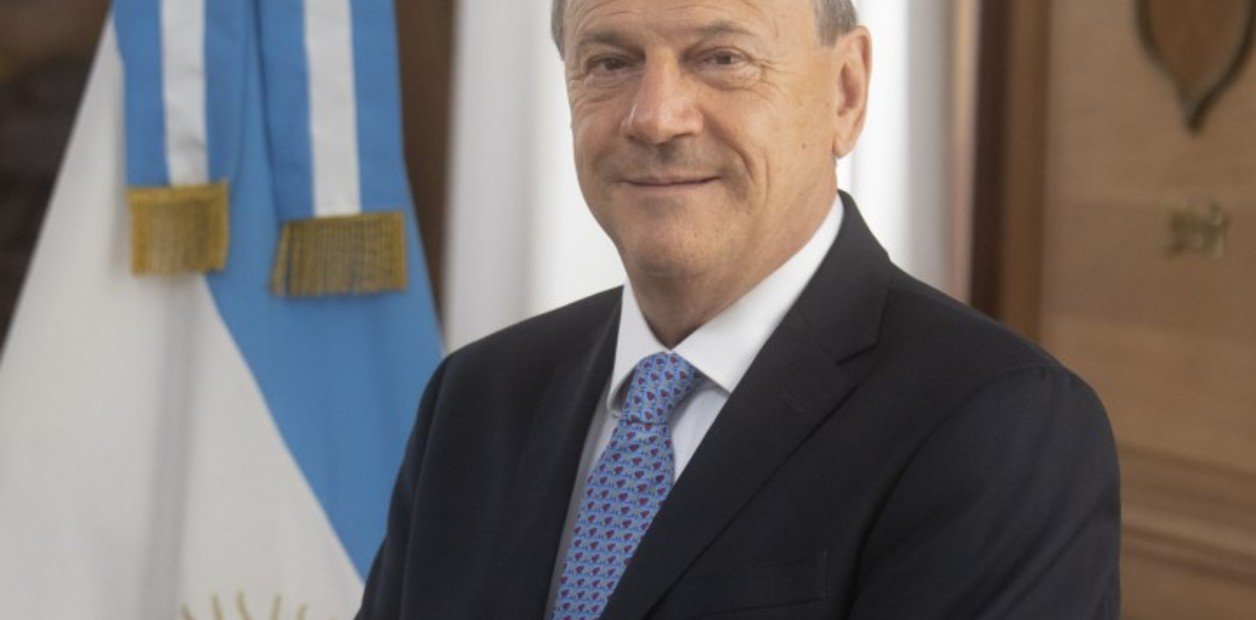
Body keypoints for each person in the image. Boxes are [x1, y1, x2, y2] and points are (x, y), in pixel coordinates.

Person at [356, 0, 1121, 617]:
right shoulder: (476, 395)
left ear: (846, 93)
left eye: (722, 58)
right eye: (611, 62)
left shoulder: (1000, 425)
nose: (656, 117)